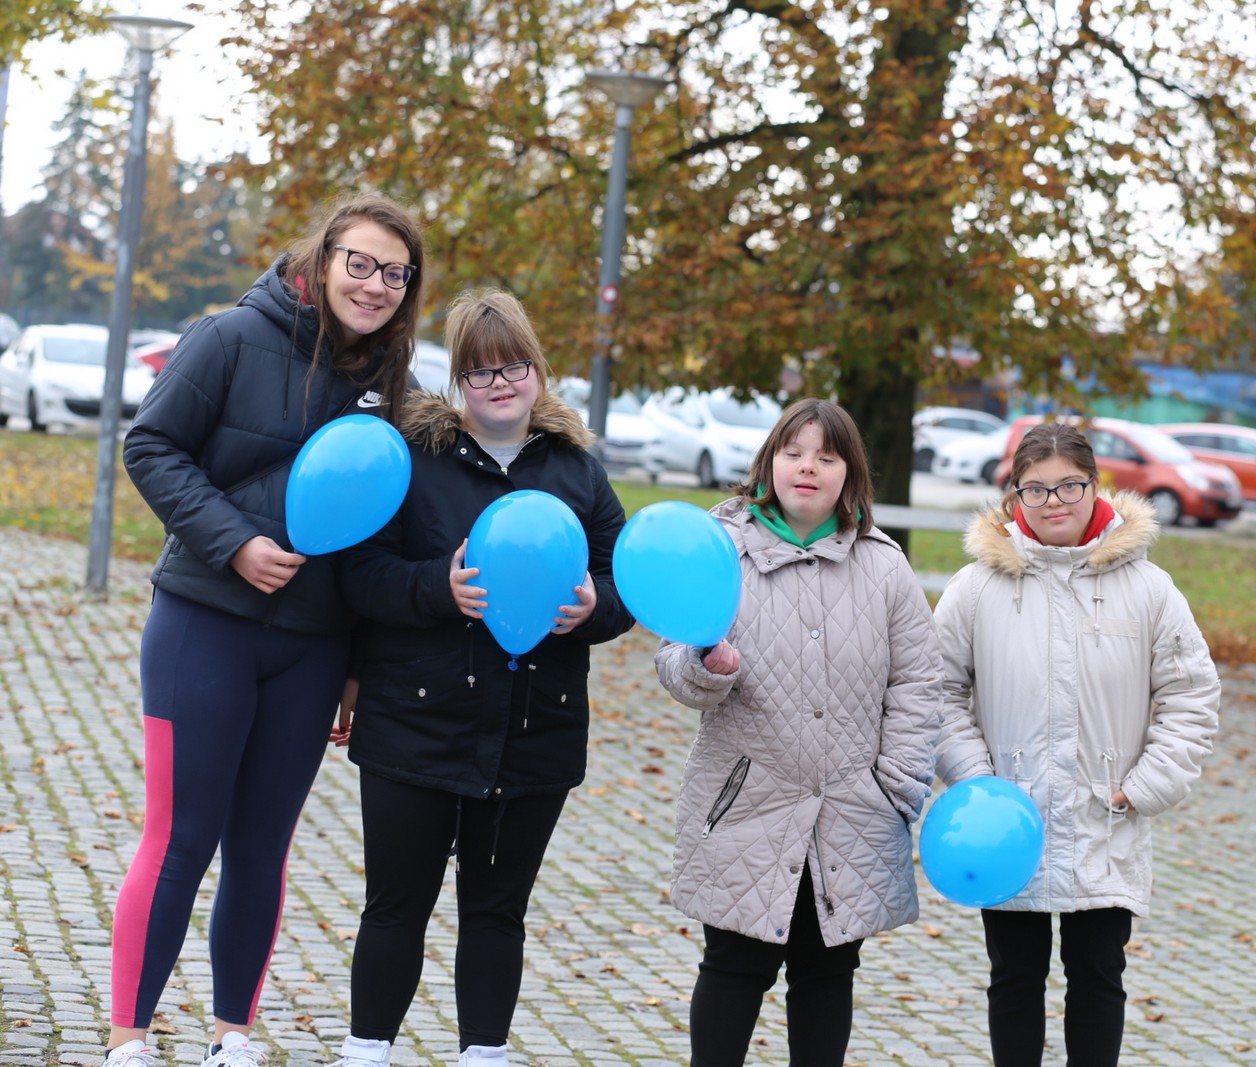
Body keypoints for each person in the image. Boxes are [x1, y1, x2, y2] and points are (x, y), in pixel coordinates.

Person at [111, 193, 427, 1067]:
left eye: (394, 274)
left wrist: (357, 665)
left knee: (261, 846)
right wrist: (235, 542)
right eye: (359, 262)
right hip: (202, 627)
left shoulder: (391, 380)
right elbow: (150, 448)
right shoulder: (226, 336)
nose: (374, 284)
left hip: (313, 647)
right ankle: (129, 1036)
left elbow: (383, 531)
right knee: (181, 835)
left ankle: (231, 1035)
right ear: (323, 260)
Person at [324, 289, 634, 1067]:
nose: (500, 384)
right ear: (458, 380)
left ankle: (483, 1055)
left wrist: (595, 604)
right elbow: (362, 575)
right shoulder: (415, 460)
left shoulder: (578, 473)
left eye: (514, 366)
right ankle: (366, 1051)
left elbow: (628, 580)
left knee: (497, 912)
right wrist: (441, 587)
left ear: (539, 372)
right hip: (414, 725)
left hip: (535, 730)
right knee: (396, 906)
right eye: (481, 371)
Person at [654, 397, 941, 1067]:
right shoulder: (721, 549)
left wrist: (895, 787)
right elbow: (672, 659)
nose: (807, 466)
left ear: (849, 473)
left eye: (826, 455)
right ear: (769, 462)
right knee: (733, 967)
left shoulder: (884, 566)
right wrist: (706, 665)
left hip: (852, 807)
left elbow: (919, 684)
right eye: (793, 452)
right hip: (746, 801)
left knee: (828, 972)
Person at [933, 420, 1220, 1067]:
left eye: (1070, 485)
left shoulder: (1148, 588)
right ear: (1014, 497)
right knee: (1014, 975)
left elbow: (1192, 693)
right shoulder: (977, 587)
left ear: (1096, 487)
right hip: (1007, 823)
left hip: (1105, 815)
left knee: (1097, 974)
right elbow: (935, 689)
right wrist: (980, 782)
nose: (1054, 500)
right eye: (1036, 489)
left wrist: (1147, 784)